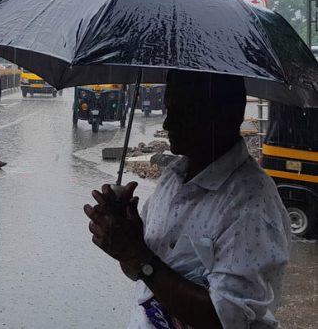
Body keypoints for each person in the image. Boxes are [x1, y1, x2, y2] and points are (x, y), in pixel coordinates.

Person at [84, 70, 290, 329]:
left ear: (222, 115)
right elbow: (140, 272)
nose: (168, 125)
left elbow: (225, 318)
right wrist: (122, 240)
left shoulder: (251, 205)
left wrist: (140, 257)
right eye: (168, 110)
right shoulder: (174, 176)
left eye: (181, 112)